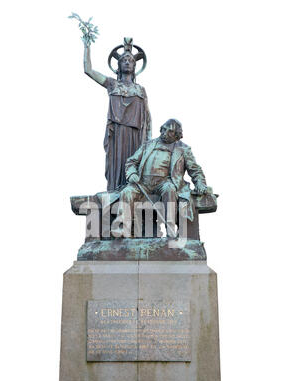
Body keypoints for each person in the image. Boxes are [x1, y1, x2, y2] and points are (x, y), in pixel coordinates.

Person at [113, 119, 207, 237]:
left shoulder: (183, 149)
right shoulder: (148, 144)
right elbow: (131, 162)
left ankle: (171, 230)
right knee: (127, 192)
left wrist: (200, 183)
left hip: (164, 182)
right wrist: (132, 173)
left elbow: (195, 169)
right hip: (142, 182)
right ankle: (123, 229)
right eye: (164, 129)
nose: (165, 133)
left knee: (170, 189)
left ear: (177, 135)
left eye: (170, 131)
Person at [83, 38, 152, 192]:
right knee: (117, 164)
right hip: (118, 134)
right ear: (118, 66)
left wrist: (149, 141)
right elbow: (88, 70)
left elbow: (147, 117)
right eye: (124, 60)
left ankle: (132, 192)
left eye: (130, 60)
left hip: (137, 135)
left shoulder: (140, 90)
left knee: (135, 165)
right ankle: (115, 191)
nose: (127, 62)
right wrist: (87, 46)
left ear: (135, 66)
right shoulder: (112, 84)